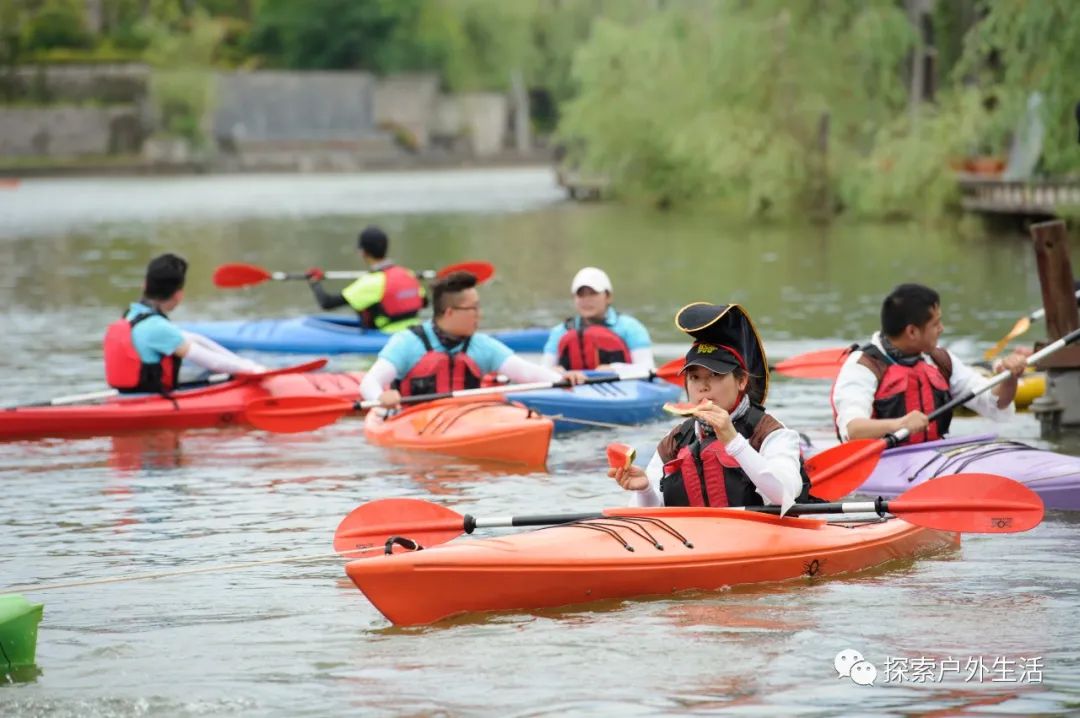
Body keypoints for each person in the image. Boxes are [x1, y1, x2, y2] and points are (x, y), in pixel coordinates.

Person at [609, 303, 817, 513]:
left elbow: (785, 495)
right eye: (694, 377)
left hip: (764, 539)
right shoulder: (675, 441)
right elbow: (647, 515)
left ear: (742, 381)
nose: (703, 386)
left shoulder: (772, 434)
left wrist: (733, 441)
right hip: (695, 541)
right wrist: (644, 490)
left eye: (715, 375)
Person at [831, 283, 1030, 445]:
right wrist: (901, 424)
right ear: (912, 332)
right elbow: (853, 429)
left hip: (933, 459)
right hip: (881, 464)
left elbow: (994, 404)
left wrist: (1009, 378)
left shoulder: (939, 360)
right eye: (935, 324)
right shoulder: (863, 366)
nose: (941, 329)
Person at [360, 271, 584, 407]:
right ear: (450, 312)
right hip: (415, 423)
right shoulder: (408, 343)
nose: (480, 315)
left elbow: (526, 372)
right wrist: (381, 398)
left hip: (467, 419)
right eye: (473, 309)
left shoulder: (481, 346)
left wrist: (561, 378)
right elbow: (369, 382)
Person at [104, 253, 265, 394]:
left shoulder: (133, 315)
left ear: (145, 285)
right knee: (217, 374)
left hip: (131, 394)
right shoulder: (157, 328)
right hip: (149, 400)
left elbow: (195, 339)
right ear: (179, 295)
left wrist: (247, 365)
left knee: (213, 375)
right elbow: (213, 362)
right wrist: (254, 372)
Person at [305, 225, 425, 333]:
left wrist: (314, 282)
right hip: (415, 331)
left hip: (385, 335)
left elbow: (327, 303)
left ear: (363, 252)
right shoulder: (408, 274)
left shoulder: (370, 282)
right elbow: (424, 302)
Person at [542, 267, 654, 372]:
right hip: (573, 388)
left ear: (608, 297)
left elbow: (647, 368)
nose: (586, 300)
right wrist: (554, 372)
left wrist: (614, 369)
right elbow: (545, 369)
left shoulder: (631, 328)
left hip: (622, 386)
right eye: (581, 295)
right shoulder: (560, 331)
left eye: (593, 293)